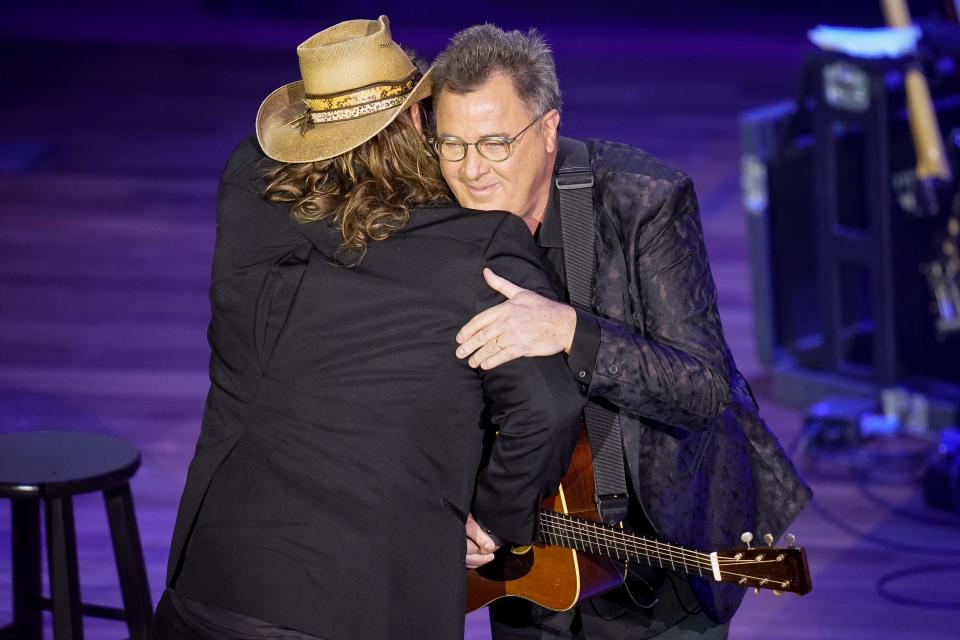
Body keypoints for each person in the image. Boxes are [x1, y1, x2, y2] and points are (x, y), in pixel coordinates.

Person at [151, 17, 583, 640]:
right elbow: (545, 408)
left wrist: (337, 116)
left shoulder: (246, 193)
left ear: (305, 137)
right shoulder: (483, 249)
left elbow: (266, 155)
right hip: (372, 606)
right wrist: (493, 520)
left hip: (213, 589)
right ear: (416, 123)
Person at [430, 24, 812, 639]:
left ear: (548, 129)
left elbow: (703, 386)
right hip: (529, 570)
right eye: (452, 144)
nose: (471, 170)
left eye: (495, 143)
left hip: (658, 565)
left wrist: (570, 330)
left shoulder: (641, 202)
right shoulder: (437, 217)